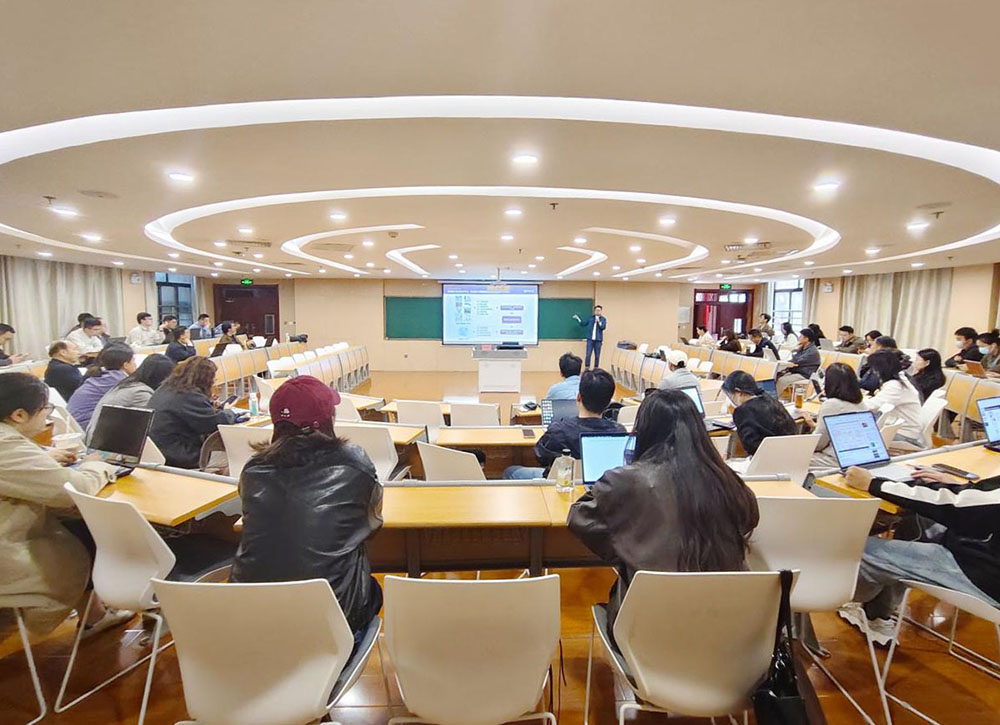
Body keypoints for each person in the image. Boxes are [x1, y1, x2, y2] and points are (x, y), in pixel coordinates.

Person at [567, 388, 759, 634]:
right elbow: (749, 519)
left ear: (644, 431)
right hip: (728, 627)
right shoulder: (728, 480)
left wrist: (628, 546)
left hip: (648, 628)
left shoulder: (624, 481)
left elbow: (579, 518)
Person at [230, 375, 383, 637]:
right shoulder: (353, 464)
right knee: (372, 590)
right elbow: (373, 520)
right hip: (329, 626)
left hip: (250, 621)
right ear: (326, 420)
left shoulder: (253, 470)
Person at [0, 373, 125, 634]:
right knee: (85, 534)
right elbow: (74, 490)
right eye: (45, 408)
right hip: (8, 558)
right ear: (19, 415)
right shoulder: (6, 446)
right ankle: (96, 612)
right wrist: (96, 465)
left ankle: (94, 613)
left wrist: (45, 455)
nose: (48, 416)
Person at [839, 465, 1000, 645]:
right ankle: (877, 612)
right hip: (986, 556)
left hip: (984, 577)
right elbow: (979, 506)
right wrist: (964, 491)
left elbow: (954, 508)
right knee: (915, 520)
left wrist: (873, 484)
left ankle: (852, 603)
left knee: (862, 549)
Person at [503, 368, 624, 479]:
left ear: (578, 397)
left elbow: (541, 456)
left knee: (510, 471)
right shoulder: (620, 432)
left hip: (562, 483)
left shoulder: (559, 430)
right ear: (608, 403)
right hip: (601, 487)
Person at [148, 356, 240, 468]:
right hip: (182, 456)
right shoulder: (189, 395)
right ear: (205, 380)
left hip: (159, 452)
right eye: (213, 380)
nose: (214, 383)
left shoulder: (166, 388)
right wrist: (228, 412)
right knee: (235, 457)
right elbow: (213, 424)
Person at [85, 354, 175, 444]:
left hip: (96, 438)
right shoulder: (140, 392)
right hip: (103, 444)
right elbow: (155, 424)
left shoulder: (128, 383)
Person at [800, 363, 868, 467]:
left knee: (792, 459)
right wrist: (813, 425)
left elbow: (819, 444)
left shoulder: (831, 404)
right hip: (860, 457)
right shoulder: (861, 403)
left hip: (837, 460)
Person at [723, 371, 798, 455]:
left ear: (738, 392)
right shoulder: (770, 400)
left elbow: (750, 447)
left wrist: (740, 419)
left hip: (767, 458)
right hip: (791, 453)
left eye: (730, 395)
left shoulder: (742, 411)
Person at [67, 344, 136, 429]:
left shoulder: (103, 375)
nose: (135, 365)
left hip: (73, 423)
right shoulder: (119, 380)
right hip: (87, 426)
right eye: (133, 361)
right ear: (125, 365)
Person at [864, 349, 925, 446]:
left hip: (904, 433)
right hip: (905, 428)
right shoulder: (900, 379)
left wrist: (852, 401)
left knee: (860, 435)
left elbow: (873, 405)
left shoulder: (895, 385)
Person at [775, 327, 821, 397]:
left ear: (806, 339)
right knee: (777, 376)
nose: (799, 338)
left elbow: (797, 361)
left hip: (804, 374)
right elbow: (795, 359)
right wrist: (796, 350)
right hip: (797, 371)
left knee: (782, 380)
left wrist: (795, 350)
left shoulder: (812, 351)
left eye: (801, 336)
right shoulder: (804, 348)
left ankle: (774, 398)